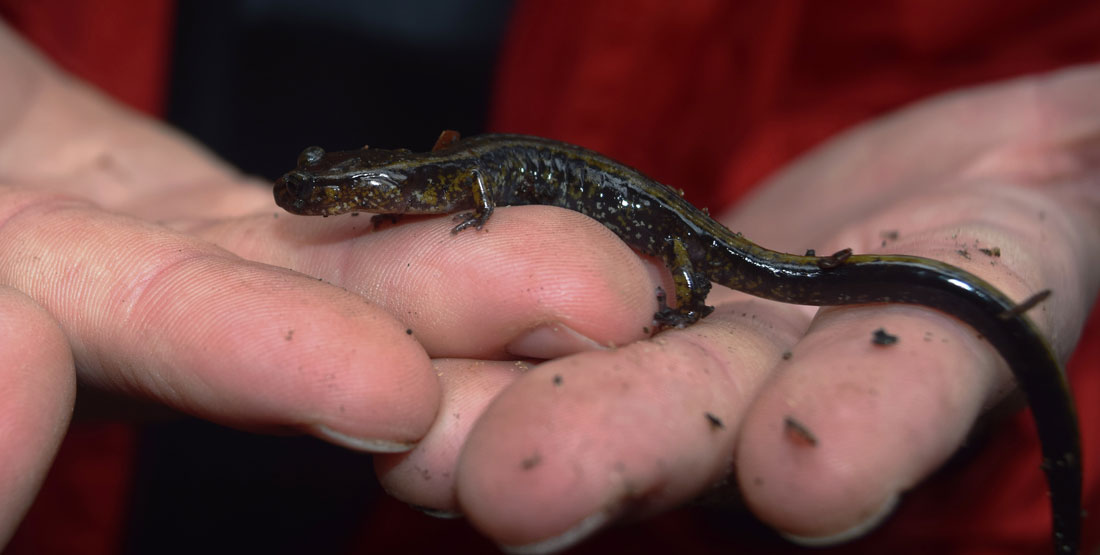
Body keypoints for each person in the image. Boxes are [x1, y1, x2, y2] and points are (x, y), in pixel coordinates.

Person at [1, 5, 1097, 554]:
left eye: (323, 197)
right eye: (316, 194)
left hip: (713, 239)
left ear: (373, 191)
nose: (315, 203)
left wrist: (684, 299)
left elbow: (478, 195)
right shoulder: (417, 183)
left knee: (697, 277)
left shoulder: (449, 187)